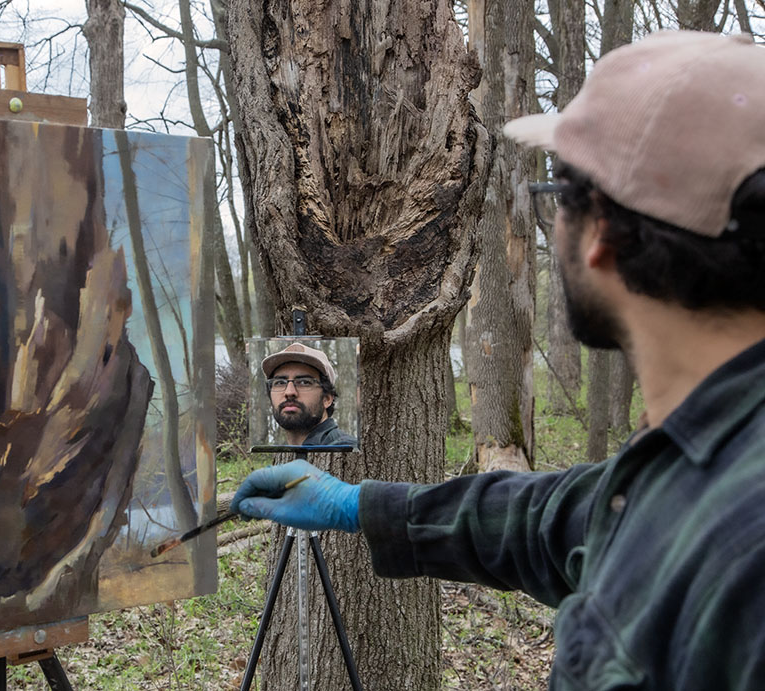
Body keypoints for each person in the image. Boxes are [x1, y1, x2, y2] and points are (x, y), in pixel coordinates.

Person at [233, 31, 765, 689]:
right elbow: (551, 519)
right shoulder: (698, 453)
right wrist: (360, 505)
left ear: (597, 230)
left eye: (553, 206)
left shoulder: (745, 555)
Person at [261, 342, 357, 447]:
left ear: (327, 399)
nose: (289, 392)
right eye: (280, 383)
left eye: (304, 382)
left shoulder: (346, 446)